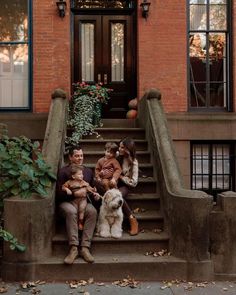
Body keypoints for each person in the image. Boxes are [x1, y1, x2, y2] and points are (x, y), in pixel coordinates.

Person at [56, 146, 100, 264]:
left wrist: (95, 196)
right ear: (70, 157)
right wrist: (74, 194)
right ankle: (74, 248)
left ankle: (85, 247)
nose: (80, 158)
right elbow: (59, 194)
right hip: (66, 202)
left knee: (92, 211)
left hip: (84, 202)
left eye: (81, 155)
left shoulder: (88, 171)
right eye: (77, 156)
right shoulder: (63, 172)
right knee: (71, 212)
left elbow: (90, 190)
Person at [62, 164, 100, 231]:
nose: (82, 176)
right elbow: (63, 187)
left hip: (83, 200)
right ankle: (76, 224)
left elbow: (89, 188)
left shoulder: (84, 182)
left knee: (82, 210)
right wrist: (67, 190)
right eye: (79, 174)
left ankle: (80, 222)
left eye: (82, 174)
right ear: (73, 176)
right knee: (75, 211)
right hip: (74, 200)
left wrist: (93, 190)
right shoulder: (70, 182)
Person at [117, 137, 139, 236]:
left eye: (122, 148)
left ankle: (132, 219)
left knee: (117, 195)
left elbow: (134, 182)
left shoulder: (133, 162)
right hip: (113, 183)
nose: (119, 149)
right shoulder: (117, 155)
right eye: (119, 147)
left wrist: (121, 177)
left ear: (128, 149)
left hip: (125, 186)